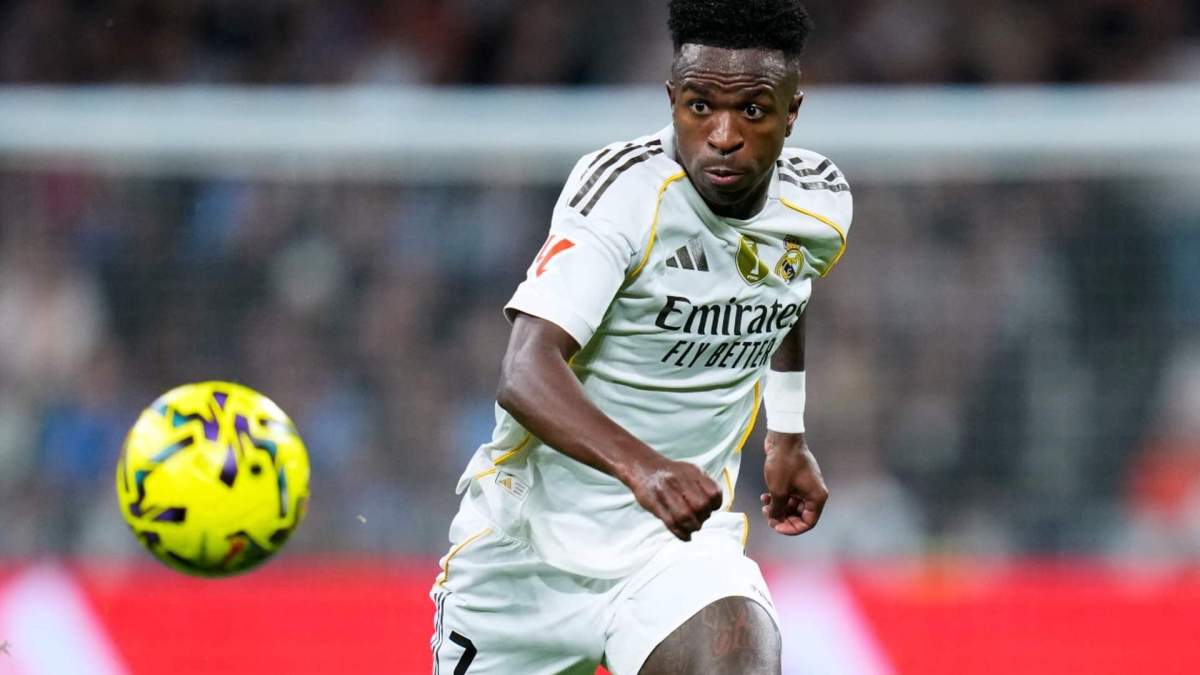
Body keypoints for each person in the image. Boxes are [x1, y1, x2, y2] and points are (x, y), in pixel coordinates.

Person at [430, 1, 852, 672]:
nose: (722, 135)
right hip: (527, 558)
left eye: (752, 110)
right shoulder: (623, 193)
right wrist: (644, 468)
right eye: (700, 106)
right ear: (672, 100)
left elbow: (787, 282)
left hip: (676, 549)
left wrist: (787, 433)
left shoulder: (819, 200)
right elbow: (524, 370)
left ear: (791, 113)